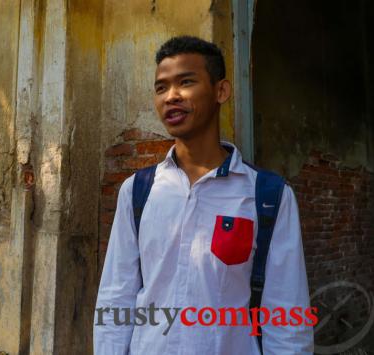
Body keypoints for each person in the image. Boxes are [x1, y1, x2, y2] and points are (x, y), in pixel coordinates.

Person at [93, 36, 314, 354]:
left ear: (221, 91)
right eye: (161, 88)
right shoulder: (139, 192)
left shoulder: (267, 196)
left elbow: (288, 316)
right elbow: (117, 296)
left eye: (186, 82)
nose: (171, 97)